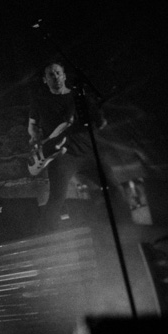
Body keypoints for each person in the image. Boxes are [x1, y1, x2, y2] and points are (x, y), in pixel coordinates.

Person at [27, 62, 111, 231]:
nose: (55, 77)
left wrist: (95, 113)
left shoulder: (80, 98)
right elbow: (32, 125)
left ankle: (121, 227)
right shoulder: (39, 101)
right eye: (51, 74)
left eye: (58, 73)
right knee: (57, 197)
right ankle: (47, 239)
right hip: (62, 155)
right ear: (45, 80)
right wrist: (36, 137)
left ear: (64, 75)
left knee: (113, 188)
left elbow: (101, 124)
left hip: (88, 152)